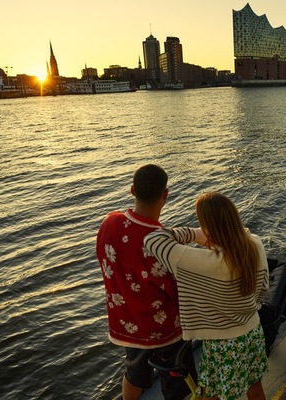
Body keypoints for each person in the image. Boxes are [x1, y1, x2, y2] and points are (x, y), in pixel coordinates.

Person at [144, 192, 269, 400]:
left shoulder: (201, 262)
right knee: (254, 387)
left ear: (207, 227)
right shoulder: (254, 244)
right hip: (252, 332)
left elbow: (153, 240)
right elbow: (263, 288)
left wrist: (194, 233)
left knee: (211, 394)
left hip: (222, 344)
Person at [95, 164, 196, 400]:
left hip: (128, 324)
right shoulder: (162, 245)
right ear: (165, 194)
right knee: (177, 383)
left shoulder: (109, 223)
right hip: (165, 330)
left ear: (132, 190)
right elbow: (178, 289)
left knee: (134, 375)